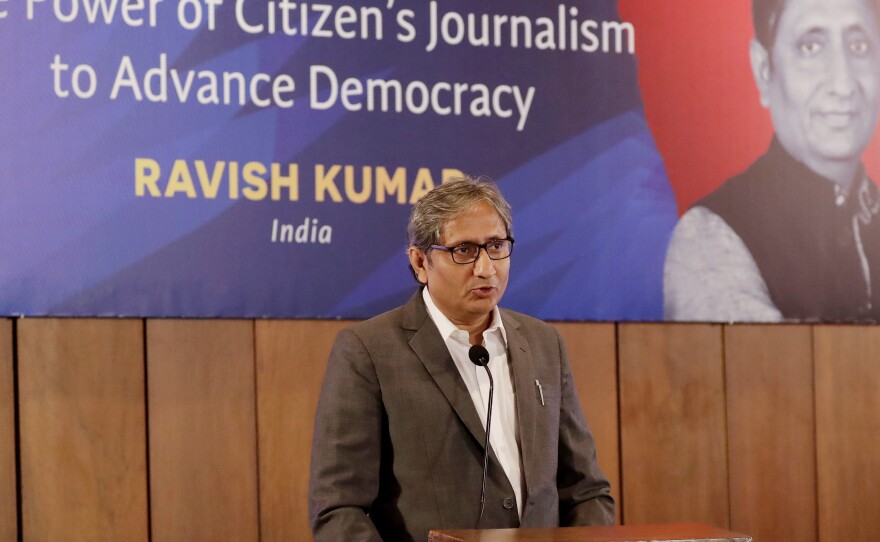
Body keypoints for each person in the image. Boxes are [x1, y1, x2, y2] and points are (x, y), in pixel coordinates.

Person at [308, 177, 614, 541]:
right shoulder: (368, 351)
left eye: (496, 246)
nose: (486, 268)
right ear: (420, 262)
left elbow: (586, 491)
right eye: (464, 250)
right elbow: (338, 508)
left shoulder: (543, 343)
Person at [664, 0, 880, 322]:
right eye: (811, 47)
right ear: (764, 70)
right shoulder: (713, 233)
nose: (843, 84)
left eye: (859, 46)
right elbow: (765, 367)